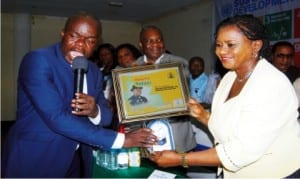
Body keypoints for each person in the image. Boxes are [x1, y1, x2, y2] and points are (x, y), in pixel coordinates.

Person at [1, 12, 157, 178]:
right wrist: (122, 140)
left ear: (96, 43)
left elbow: (105, 117)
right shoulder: (38, 61)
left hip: (75, 159)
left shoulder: (94, 71)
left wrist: (94, 111)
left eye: (90, 40)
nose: (81, 45)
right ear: (63, 33)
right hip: (36, 157)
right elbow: (57, 117)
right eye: (74, 36)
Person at [150, 14, 300, 178]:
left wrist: (181, 158)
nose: (221, 51)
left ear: (256, 45)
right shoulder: (230, 77)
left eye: (230, 44)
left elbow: (241, 150)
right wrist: (202, 115)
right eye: (219, 45)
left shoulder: (271, 84)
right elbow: (228, 129)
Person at [136, 25, 197, 152]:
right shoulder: (132, 68)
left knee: (177, 172)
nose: (155, 44)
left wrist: (152, 73)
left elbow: (181, 92)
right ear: (141, 44)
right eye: (150, 41)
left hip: (176, 134)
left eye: (159, 40)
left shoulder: (179, 64)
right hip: (146, 135)